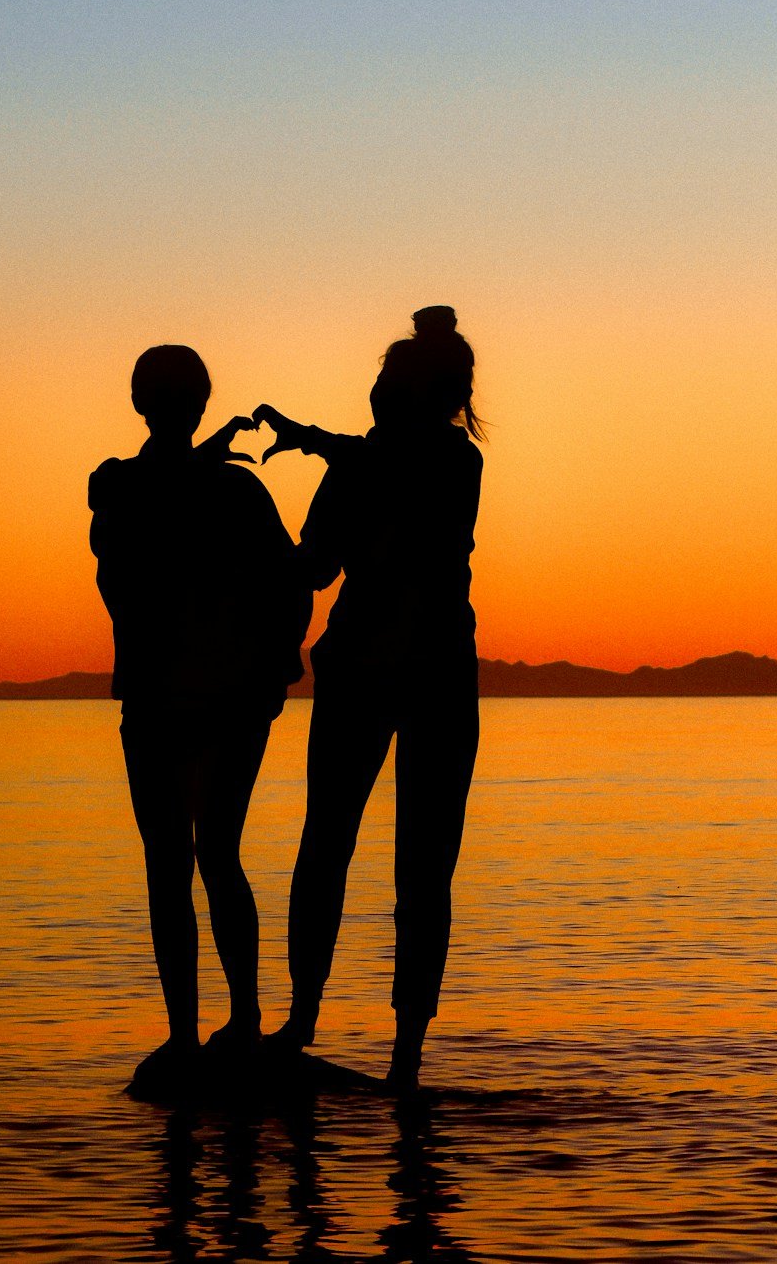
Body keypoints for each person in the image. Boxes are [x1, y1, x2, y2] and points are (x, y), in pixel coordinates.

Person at [255, 305, 484, 1089]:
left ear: (417, 390)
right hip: (402, 670)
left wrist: (310, 439)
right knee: (361, 851)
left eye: (387, 376)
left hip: (406, 672)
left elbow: (382, 483)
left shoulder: (447, 462)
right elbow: (314, 567)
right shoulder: (372, 464)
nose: (376, 387)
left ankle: (379, 1045)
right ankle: (336, 1031)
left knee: (390, 858)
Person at [89, 344, 312, 1099]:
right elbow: (291, 584)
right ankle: (238, 1023)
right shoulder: (219, 491)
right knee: (216, 854)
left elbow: (117, 572)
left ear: (139, 400)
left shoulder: (122, 489)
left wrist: (274, 669)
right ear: (203, 403)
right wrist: (279, 669)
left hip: (173, 698)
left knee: (174, 863)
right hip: (222, 698)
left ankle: (194, 1033)